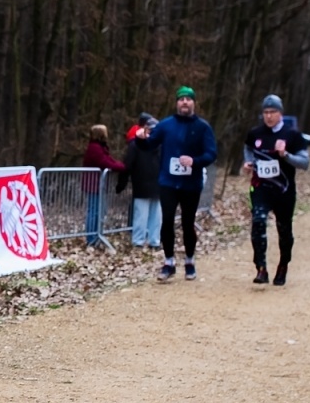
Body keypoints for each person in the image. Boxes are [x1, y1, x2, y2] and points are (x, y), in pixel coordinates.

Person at [138, 86, 217, 281]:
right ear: (176, 103)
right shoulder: (166, 125)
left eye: (188, 99)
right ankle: (169, 262)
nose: (184, 102)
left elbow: (211, 153)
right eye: (181, 99)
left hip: (191, 184)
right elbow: (149, 145)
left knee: (188, 223)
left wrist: (195, 161)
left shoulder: (202, 127)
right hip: (168, 182)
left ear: (194, 103)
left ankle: (189, 261)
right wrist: (140, 140)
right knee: (167, 222)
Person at [242, 94, 310, 286]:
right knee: (258, 222)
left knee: (284, 230)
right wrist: (248, 162)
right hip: (260, 188)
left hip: (284, 191)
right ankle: (261, 268)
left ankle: (283, 265)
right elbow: (248, 148)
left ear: (280, 113)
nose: (269, 116)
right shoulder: (255, 133)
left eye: (273, 112)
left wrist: (285, 155)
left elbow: (305, 163)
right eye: (265, 112)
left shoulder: (293, 135)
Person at [118, 117, 162, 247]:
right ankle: (154, 241)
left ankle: (138, 240)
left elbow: (127, 165)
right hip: (159, 185)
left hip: (141, 183)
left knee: (141, 215)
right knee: (156, 216)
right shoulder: (162, 145)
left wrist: (121, 183)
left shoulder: (136, 145)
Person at [81, 124, 126, 248]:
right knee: (94, 211)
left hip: (97, 184)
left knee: (98, 210)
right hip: (93, 184)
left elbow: (109, 160)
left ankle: (95, 236)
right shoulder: (95, 148)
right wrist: (122, 167)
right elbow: (105, 162)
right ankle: (91, 237)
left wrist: (121, 165)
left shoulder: (100, 147)